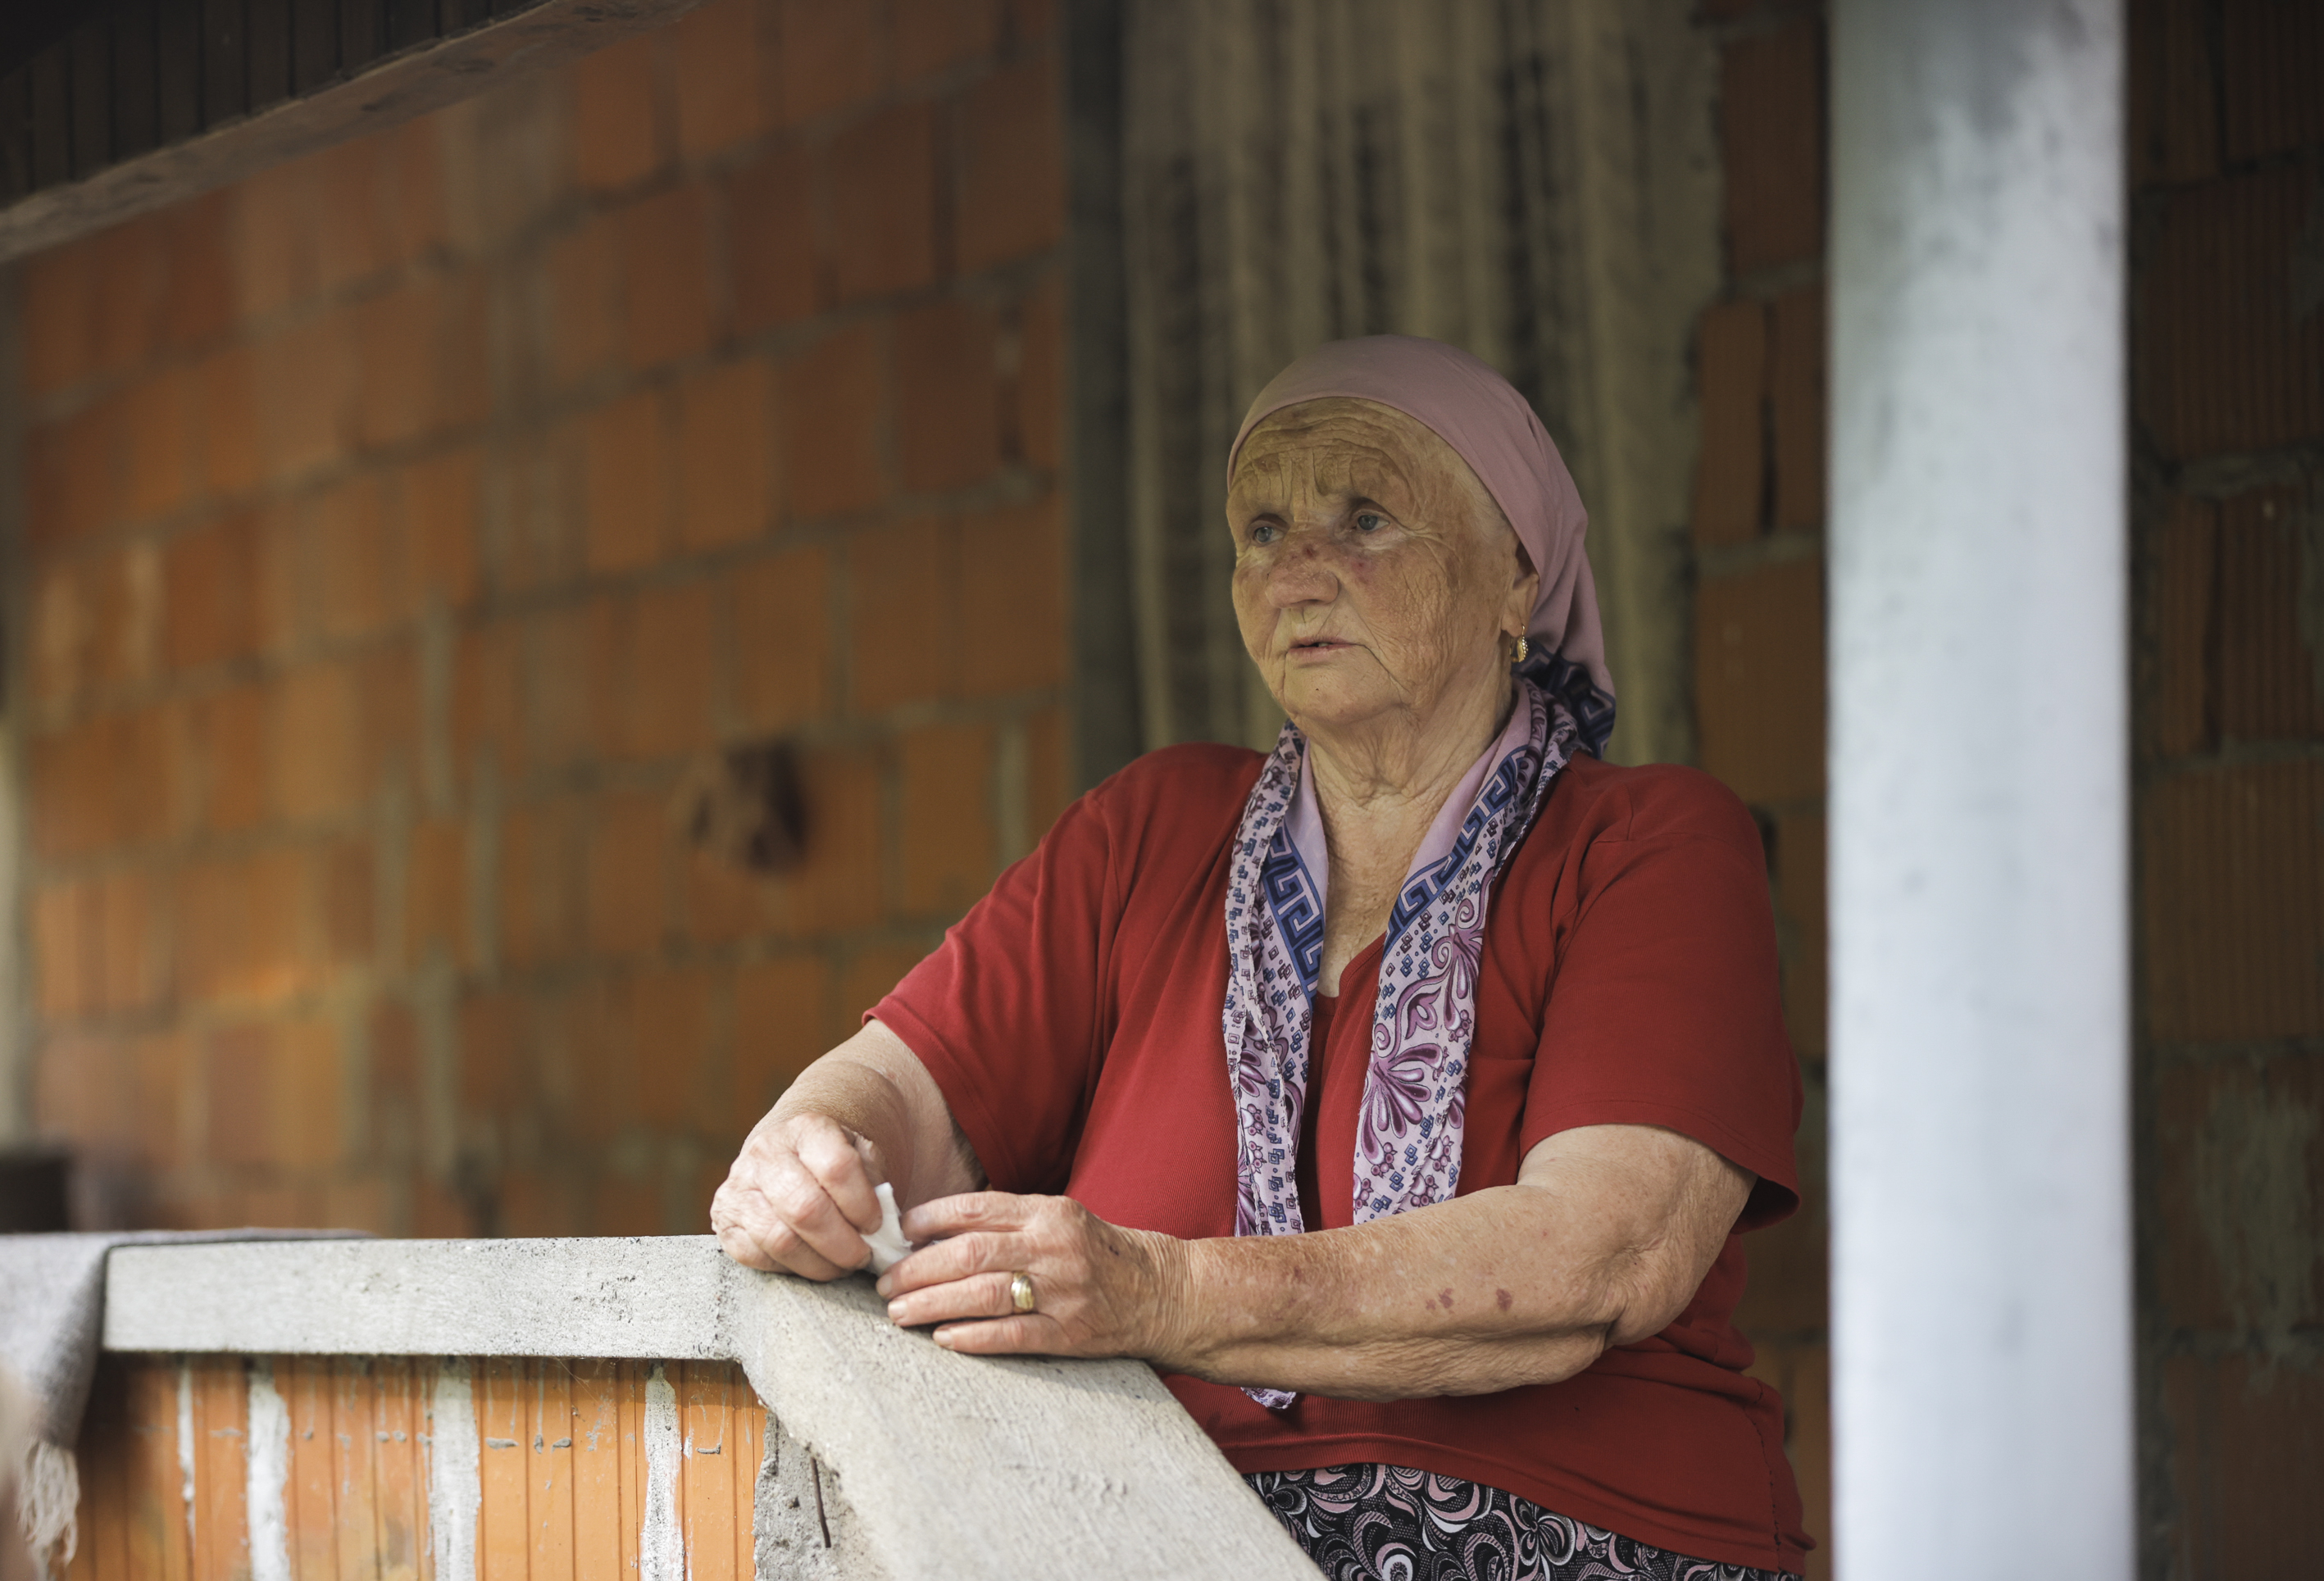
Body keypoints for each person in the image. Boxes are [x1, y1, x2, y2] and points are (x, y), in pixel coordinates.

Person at [712, 335, 1809, 1581]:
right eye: (1263, 530)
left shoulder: (1644, 844)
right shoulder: (1155, 826)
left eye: (1366, 519)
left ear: (1518, 574)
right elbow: (904, 1091)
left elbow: (1604, 1256)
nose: (1300, 571)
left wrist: (1158, 1292)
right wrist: (810, 1153)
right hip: (1161, 1521)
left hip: (1573, 1533)